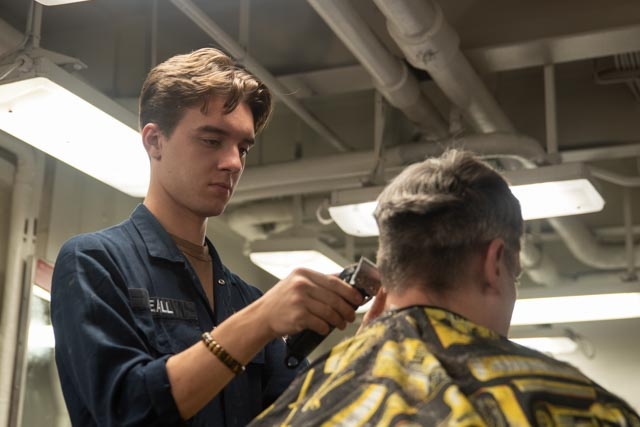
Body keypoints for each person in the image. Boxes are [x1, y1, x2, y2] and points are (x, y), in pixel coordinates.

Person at [50, 47, 364, 427]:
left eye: (243, 148)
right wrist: (258, 322)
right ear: (154, 141)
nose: (234, 162)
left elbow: (303, 415)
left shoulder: (245, 299)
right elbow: (127, 411)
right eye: (212, 140)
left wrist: (375, 342)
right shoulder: (95, 262)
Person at [250, 149, 640, 426]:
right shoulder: (577, 407)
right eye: (515, 274)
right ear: (495, 263)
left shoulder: (298, 405)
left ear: (389, 270)